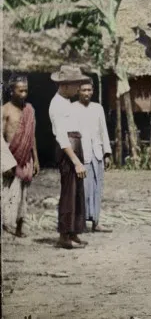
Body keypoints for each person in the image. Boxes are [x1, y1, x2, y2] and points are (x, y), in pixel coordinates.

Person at [47, 65, 91, 249]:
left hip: (76, 145)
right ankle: (64, 235)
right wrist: (75, 161)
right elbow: (62, 137)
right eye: (75, 85)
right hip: (68, 151)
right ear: (64, 85)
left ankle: (73, 231)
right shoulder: (57, 104)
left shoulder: (67, 102)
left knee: (77, 192)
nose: (77, 89)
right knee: (68, 193)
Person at [1, 76, 39, 237]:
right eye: (20, 90)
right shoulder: (5, 110)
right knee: (7, 191)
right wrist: (6, 161)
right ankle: (6, 223)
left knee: (23, 194)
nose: (24, 94)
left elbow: (32, 136)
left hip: (26, 158)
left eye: (26, 90)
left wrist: (36, 159)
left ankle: (19, 224)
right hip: (9, 155)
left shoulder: (29, 110)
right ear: (11, 91)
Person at [76, 81, 113, 232]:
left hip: (97, 153)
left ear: (93, 91)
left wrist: (107, 154)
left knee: (97, 188)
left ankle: (96, 222)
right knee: (83, 189)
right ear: (78, 91)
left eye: (89, 90)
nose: (86, 93)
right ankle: (81, 223)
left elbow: (103, 131)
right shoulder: (72, 109)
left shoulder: (98, 108)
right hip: (81, 154)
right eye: (83, 90)